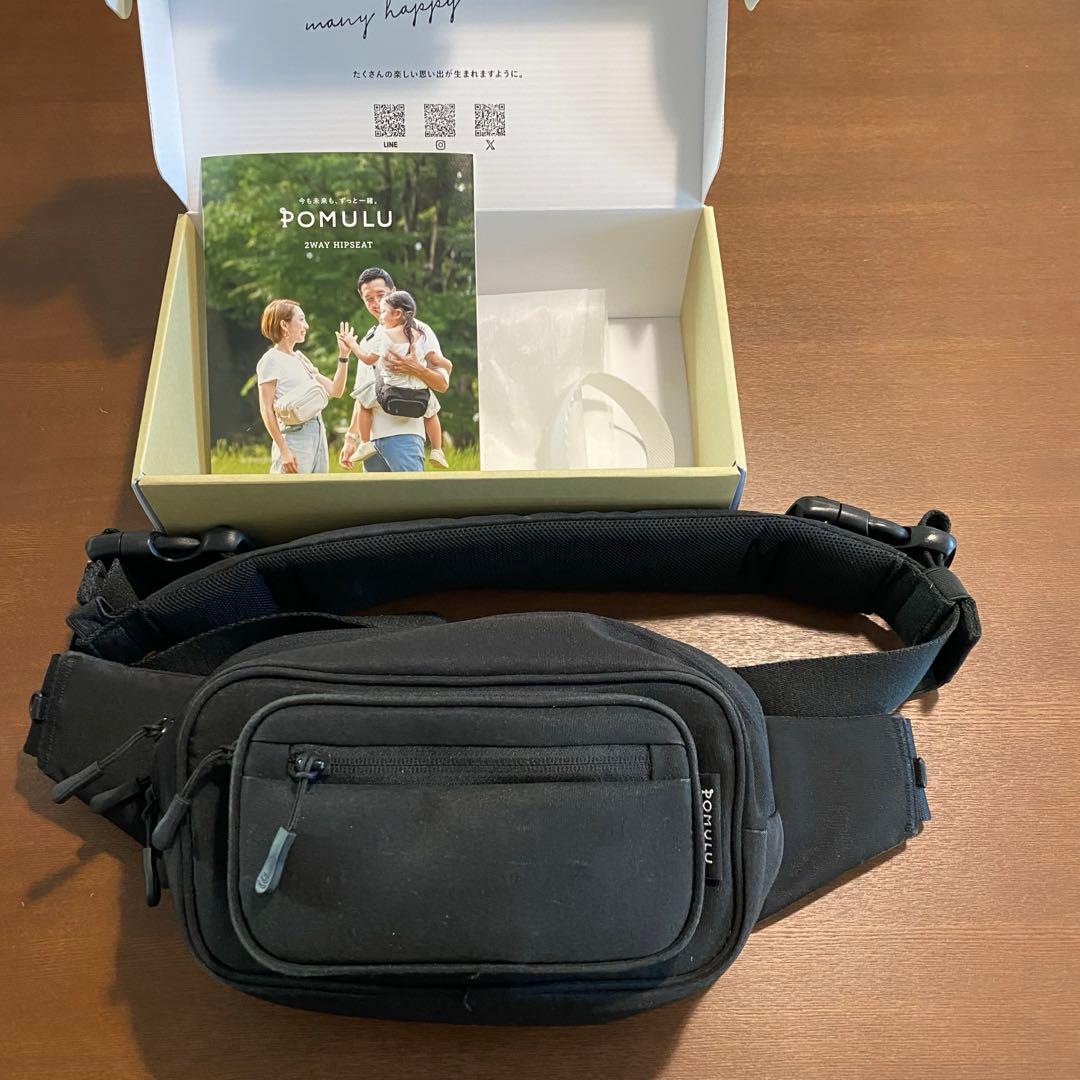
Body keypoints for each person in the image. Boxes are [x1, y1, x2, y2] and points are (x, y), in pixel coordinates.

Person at [340, 267, 453, 469]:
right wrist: (350, 438)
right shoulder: (369, 338)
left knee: (409, 490)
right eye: (368, 298)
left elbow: (442, 385)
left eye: (380, 295)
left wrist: (417, 369)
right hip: (371, 445)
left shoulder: (420, 331)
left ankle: (437, 450)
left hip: (405, 437)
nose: (376, 303)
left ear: (394, 292)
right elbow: (363, 395)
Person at [255, 299, 352, 474]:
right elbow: (266, 409)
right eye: (301, 319)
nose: (306, 325)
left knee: (317, 491)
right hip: (293, 436)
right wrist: (283, 450)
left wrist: (344, 356)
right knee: (291, 491)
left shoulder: (300, 358)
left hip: (318, 432)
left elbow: (335, 391)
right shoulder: (270, 360)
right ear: (284, 325)